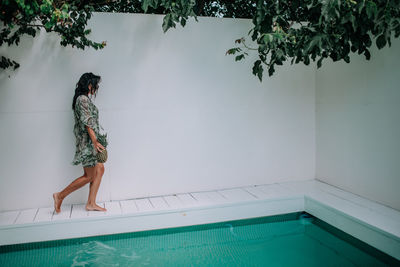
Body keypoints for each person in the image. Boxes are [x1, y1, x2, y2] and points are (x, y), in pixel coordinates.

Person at [53, 72, 108, 213]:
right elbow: (87, 122)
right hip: (88, 142)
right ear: (89, 85)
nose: (96, 88)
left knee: (100, 169)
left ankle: (91, 203)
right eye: (95, 85)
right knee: (89, 175)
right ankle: (60, 196)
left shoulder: (83, 99)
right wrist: (95, 141)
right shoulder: (82, 99)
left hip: (90, 140)